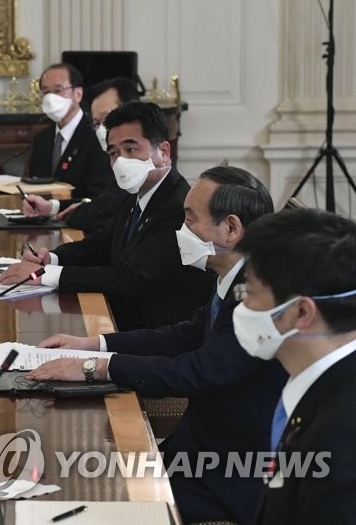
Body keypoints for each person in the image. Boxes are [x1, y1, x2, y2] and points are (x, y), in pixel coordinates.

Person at [25, 166, 286, 525]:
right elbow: (183, 335)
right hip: (196, 452)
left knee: (82, 491)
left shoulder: (254, 297)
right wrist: (94, 344)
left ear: (230, 228)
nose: (181, 231)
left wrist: (94, 368)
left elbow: (196, 372)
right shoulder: (235, 275)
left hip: (226, 475)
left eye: (190, 219)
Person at [0, 101, 212, 331]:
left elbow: (129, 279)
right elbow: (100, 244)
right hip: (123, 319)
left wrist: (46, 275)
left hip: (153, 334)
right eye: (114, 153)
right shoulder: (137, 193)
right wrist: (50, 258)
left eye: (131, 149)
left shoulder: (178, 206)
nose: (120, 161)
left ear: (163, 152)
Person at [232, 209, 356, 524]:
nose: (243, 306)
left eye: (250, 293)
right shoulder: (321, 383)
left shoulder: (339, 435)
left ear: (301, 312)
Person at [24, 77, 139, 233]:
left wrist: (75, 213)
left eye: (106, 119)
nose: (101, 130)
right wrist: (51, 206)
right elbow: (99, 202)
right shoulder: (116, 159)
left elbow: (98, 213)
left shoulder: (137, 165)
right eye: (96, 123)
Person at [23, 63, 116, 208]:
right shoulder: (41, 138)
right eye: (46, 92)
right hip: (42, 219)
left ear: (78, 94)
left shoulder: (97, 135)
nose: (51, 98)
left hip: (83, 220)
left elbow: (98, 192)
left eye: (58, 90)